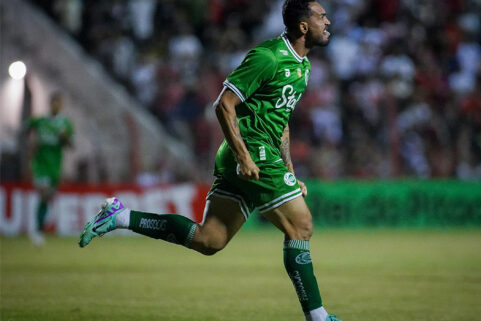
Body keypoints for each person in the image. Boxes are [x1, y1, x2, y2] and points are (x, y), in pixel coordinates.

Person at [79, 1, 341, 320]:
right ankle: (319, 317)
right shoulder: (269, 56)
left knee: (209, 240)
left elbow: (280, 120)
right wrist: (245, 157)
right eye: (321, 16)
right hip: (251, 149)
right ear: (303, 26)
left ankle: (120, 216)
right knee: (301, 226)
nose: (328, 21)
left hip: (257, 154)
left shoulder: (303, 67)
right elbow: (223, 105)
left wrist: (289, 171)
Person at [26, 92, 74, 245]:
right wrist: (31, 147)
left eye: (59, 103)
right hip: (40, 165)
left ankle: (38, 227)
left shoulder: (65, 124)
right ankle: (37, 230)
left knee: (47, 198)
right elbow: (25, 128)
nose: (57, 106)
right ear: (50, 104)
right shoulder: (40, 121)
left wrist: (65, 137)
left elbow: (70, 146)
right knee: (45, 193)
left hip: (55, 167)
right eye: (55, 103)